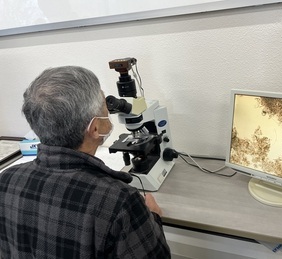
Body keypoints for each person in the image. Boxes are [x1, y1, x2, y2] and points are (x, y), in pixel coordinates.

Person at [0, 66, 171, 259]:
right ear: (95, 127)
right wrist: (153, 217)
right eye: (105, 109)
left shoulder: (6, 179)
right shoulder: (120, 201)